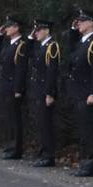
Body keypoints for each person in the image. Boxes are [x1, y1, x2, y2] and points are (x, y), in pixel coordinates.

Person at [67, 9, 93, 177]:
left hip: (88, 93)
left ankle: (91, 165)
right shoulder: (81, 42)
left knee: (90, 131)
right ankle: (84, 163)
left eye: (82, 21)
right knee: (82, 130)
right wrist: (72, 31)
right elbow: (70, 54)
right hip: (79, 92)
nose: (79, 24)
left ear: (91, 23)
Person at [27, 19, 60, 167]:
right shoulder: (40, 46)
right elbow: (28, 54)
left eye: (39, 30)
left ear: (47, 30)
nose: (36, 33)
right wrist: (30, 38)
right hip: (37, 90)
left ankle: (48, 156)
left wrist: (49, 93)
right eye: (35, 30)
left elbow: (52, 71)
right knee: (40, 124)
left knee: (46, 125)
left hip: (44, 90)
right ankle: (42, 153)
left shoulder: (51, 46)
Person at [0, 16, 28, 159]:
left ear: (16, 28)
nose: (6, 29)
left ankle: (15, 149)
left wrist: (18, 89)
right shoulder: (8, 44)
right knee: (8, 118)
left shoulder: (21, 45)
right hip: (5, 85)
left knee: (14, 119)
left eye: (9, 26)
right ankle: (9, 146)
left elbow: (21, 69)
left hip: (12, 86)